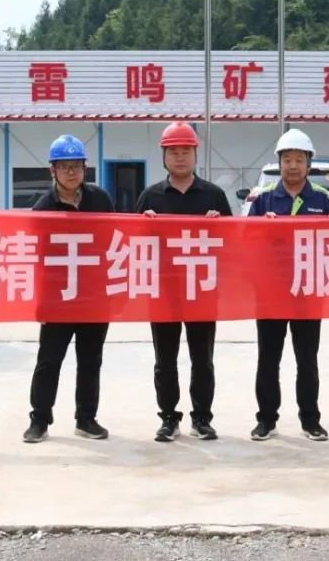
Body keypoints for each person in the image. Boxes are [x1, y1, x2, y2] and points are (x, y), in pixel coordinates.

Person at [136, 122, 233, 442]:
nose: (180, 157)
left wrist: (219, 227)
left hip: (202, 289)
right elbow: (133, 245)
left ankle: (202, 418)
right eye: (174, 152)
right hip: (164, 290)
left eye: (186, 151)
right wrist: (145, 226)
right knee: (165, 360)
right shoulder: (150, 197)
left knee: (202, 359)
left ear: (195, 155)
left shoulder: (213, 196)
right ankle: (168, 417)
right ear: (163, 156)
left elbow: (232, 244)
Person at [23, 134, 115, 443]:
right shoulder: (43, 208)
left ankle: (86, 419)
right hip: (57, 298)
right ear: (53, 170)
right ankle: (39, 420)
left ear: (85, 168)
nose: (71, 172)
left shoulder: (101, 200)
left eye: (77, 166)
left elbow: (115, 238)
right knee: (49, 361)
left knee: (90, 361)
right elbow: (35, 257)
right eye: (64, 167)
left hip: (93, 296)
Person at [248, 128, 329, 442]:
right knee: (268, 360)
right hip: (270, 293)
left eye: (299, 159)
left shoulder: (323, 200)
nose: (293, 166)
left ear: (309, 164)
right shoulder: (263, 199)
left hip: (307, 292)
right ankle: (266, 420)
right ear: (279, 163)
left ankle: (311, 421)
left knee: (307, 360)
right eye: (287, 159)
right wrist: (262, 230)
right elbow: (245, 242)